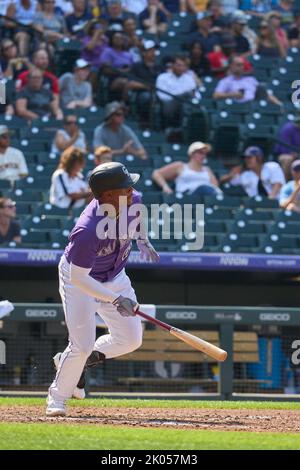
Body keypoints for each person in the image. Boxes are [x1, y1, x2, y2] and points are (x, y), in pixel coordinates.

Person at [46, 161, 159, 416]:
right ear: (107, 196)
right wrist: (116, 298)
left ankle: (72, 363)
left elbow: (137, 220)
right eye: (125, 188)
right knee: (82, 345)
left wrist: (144, 241)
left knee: (130, 339)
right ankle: (58, 398)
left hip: (116, 275)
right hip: (81, 281)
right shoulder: (87, 230)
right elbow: (79, 278)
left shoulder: (134, 200)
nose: (132, 191)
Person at [152, 141, 221, 196]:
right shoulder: (181, 166)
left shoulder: (207, 170)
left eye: (205, 154)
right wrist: (165, 187)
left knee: (209, 190)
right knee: (204, 188)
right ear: (192, 153)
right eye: (200, 153)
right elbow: (156, 173)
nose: (203, 156)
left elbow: (216, 188)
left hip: (205, 196)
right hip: (187, 196)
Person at [221, 146, 285, 199]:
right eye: (245, 158)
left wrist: (270, 200)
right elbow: (223, 181)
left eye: (249, 158)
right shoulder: (246, 175)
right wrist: (233, 173)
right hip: (256, 205)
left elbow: (277, 184)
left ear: (259, 158)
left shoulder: (272, 166)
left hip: (278, 202)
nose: (246, 160)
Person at [213, 56, 282, 105]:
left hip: (254, 106)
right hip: (237, 107)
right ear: (231, 66)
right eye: (238, 65)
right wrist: (232, 94)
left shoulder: (251, 80)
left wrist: (279, 104)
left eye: (242, 65)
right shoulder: (226, 81)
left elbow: (266, 95)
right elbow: (216, 95)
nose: (241, 67)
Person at [123, 39, 162, 125]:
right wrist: (146, 86)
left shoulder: (159, 66)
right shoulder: (137, 66)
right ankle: (145, 122)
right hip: (142, 92)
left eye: (154, 50)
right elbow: (130, 83)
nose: (153, 53)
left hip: (159, 92)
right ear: (144, 53)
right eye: (150, 51)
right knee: (147, 97)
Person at [156, 55, 199, 129]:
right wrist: (179, 97)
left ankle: (183, 130)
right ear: (172, 65)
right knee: (186, 95)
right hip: (167, 105)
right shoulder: (163, 77)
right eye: (178, 65)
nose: (181, 68)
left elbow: (197, 95)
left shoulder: (189, 79)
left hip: (185, 105)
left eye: (183, 66)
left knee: (187, 105)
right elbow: (162, 96)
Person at [274, 111, 300, 180]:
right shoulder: (288, 128)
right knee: (287, 159)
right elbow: (285, 148)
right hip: (286, 154)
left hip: (297, 154)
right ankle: (285, 182)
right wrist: (295, 154)